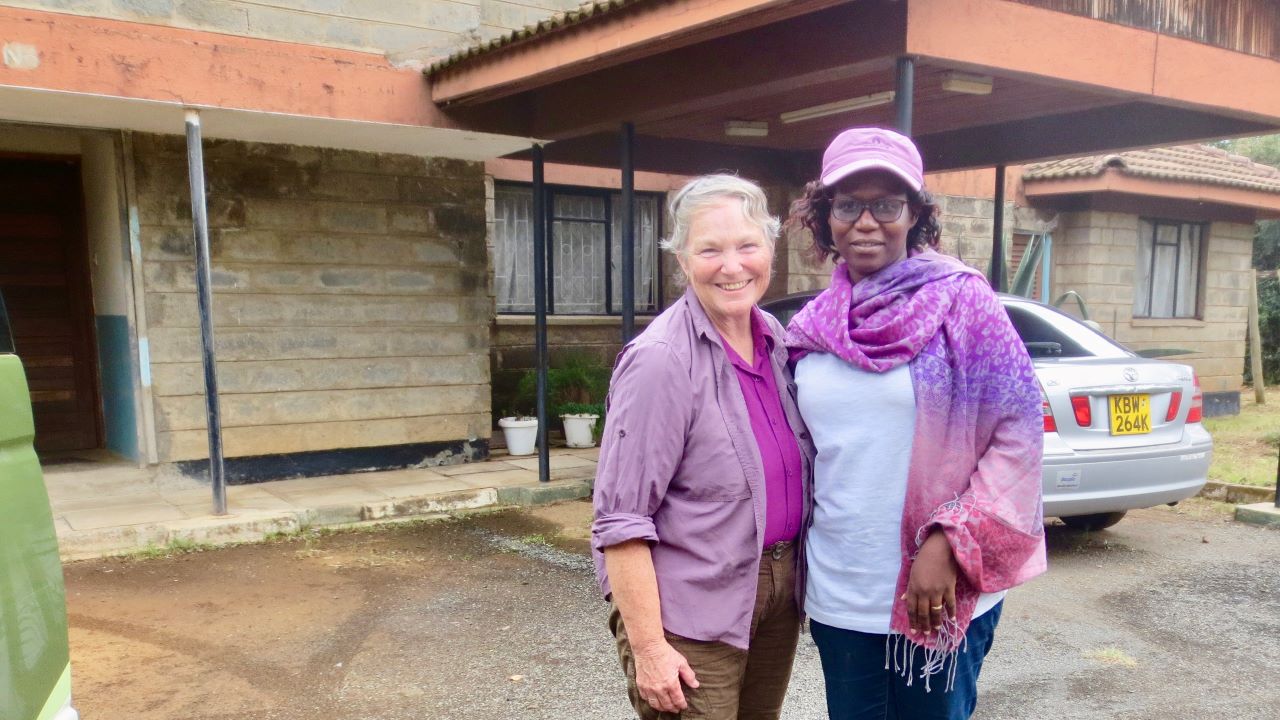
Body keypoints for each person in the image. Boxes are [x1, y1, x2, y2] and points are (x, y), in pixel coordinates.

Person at [784, 127, 1046, 720]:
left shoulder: (962, 302)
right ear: (825, 217)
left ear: (915, 215)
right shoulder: (811, 327)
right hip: (843, 588)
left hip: (939, 586)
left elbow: (1019, 430)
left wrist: (949, 539)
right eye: (848, 205)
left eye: (887, 204)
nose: (866, 221)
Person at [592, 174, 815, 720]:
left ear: (769, 249)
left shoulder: (777, 343)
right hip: (688, 609)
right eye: (710, 249)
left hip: (776, 594)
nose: (732, 265)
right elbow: (620, 519)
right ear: (682, 261)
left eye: (747, 246)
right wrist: (648, 649)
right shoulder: (661, 361)